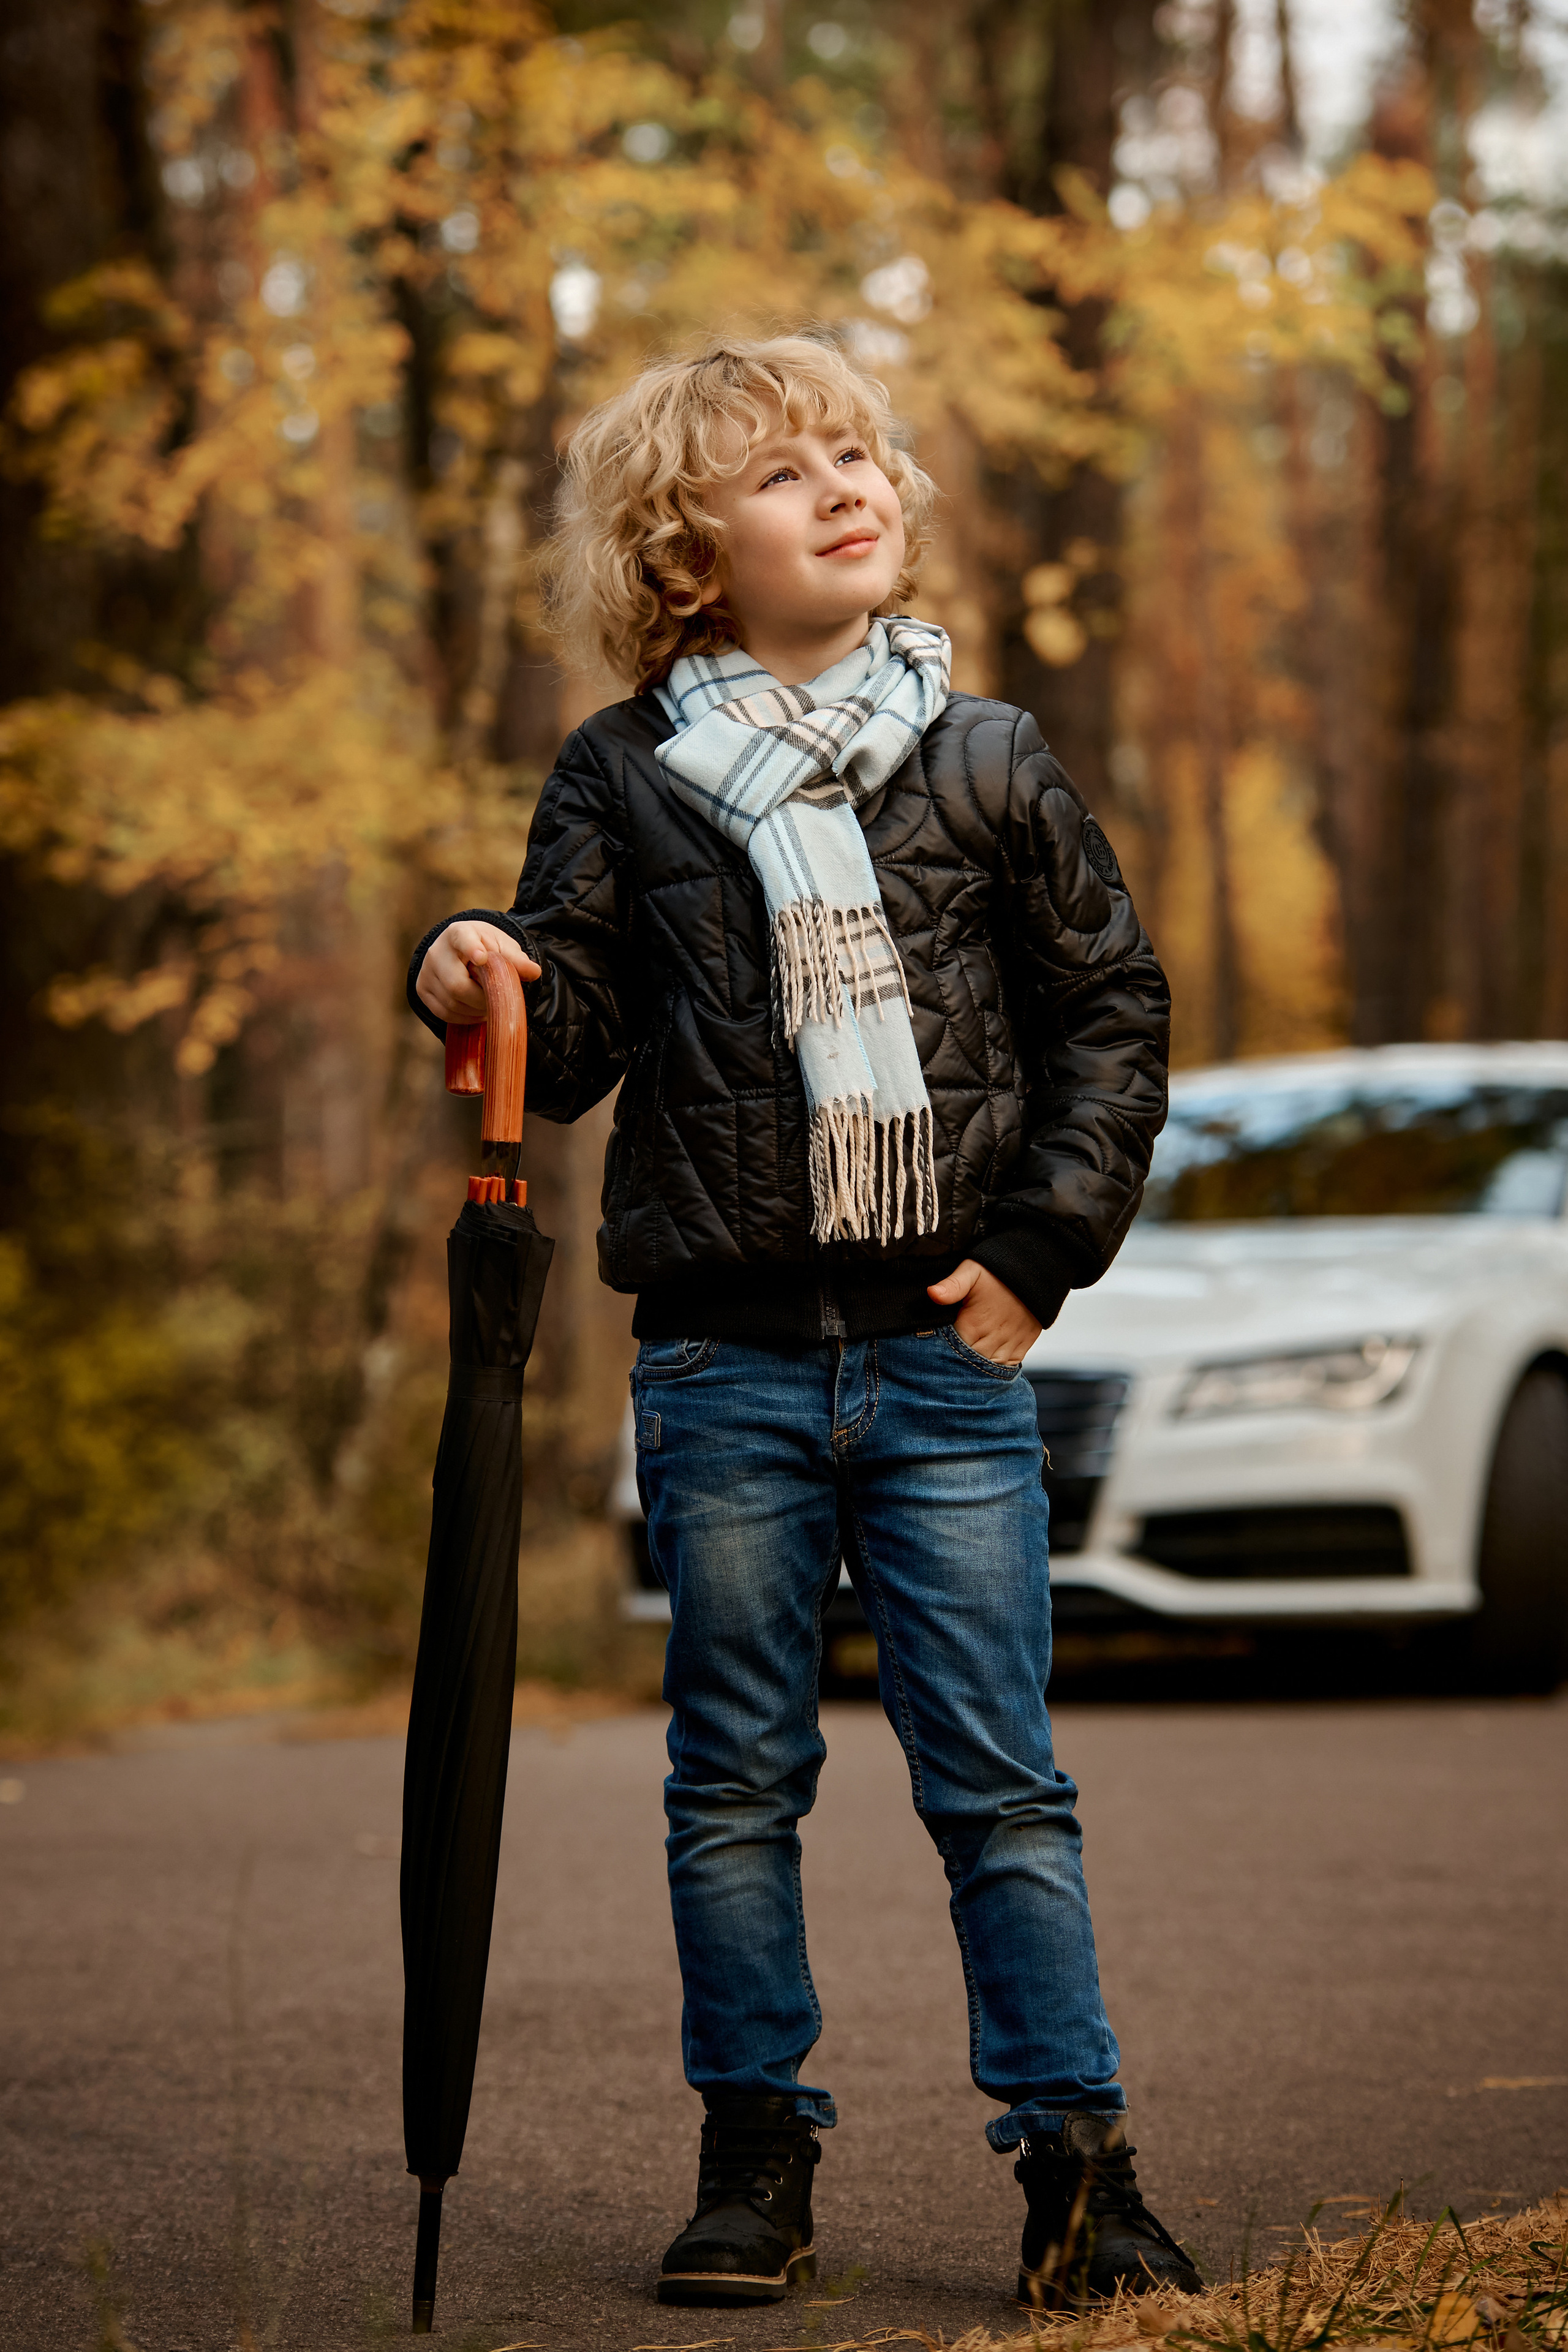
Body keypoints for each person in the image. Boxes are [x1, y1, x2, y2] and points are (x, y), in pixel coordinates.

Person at [409, 334, 1196, 2314]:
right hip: (723, 1362)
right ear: (688, 559)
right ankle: (755, 2147)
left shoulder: (988, 757)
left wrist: (1040, 1250)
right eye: (787, 471)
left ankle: (1079, 2170)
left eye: (863, 453)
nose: (851, 483)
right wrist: (469, 965)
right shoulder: (623, 776)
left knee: (999, 1778)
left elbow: (1113, 1010)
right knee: (735, 1776)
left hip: (945, 1356)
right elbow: (570, 1041)